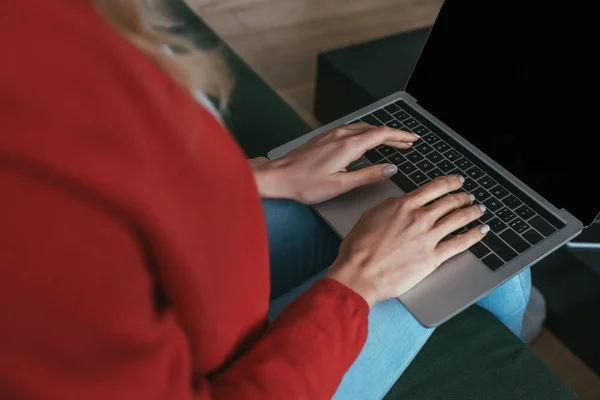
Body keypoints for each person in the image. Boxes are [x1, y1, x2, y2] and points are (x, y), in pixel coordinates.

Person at [0, 1, 531, 399]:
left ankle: (517, 317)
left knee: (445, 214)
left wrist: (261, 177)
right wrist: (358, 283)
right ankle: (516, 346)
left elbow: (109, 179)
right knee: (475, 255)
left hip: (178, 298)